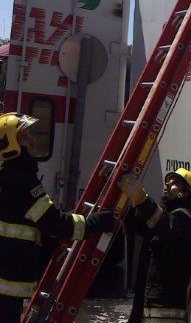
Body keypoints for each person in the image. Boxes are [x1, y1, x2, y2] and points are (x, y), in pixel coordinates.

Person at [0, 113, 116, 322]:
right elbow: (58, 224)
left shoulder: (7, 176)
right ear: (11, 145)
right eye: (25, 137)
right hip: (8, 285)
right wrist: (94, 222)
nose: (34, 139)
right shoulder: (22, 183)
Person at [119, 168, 191, 323]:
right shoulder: (167, 218)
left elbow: (161, 223)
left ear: (185, 193)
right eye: (167, 181)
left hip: (166, 309)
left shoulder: (183, 219)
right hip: (148, 305)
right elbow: (139, 225)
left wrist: (141, 198)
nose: (167, 184)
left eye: (175, 183)